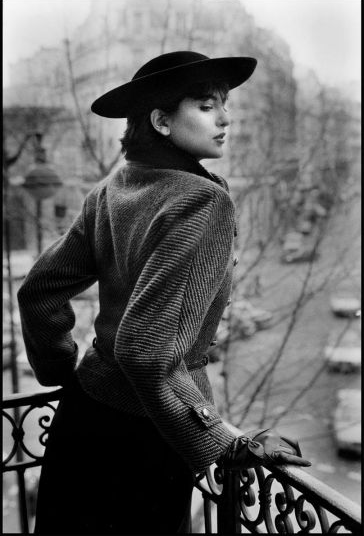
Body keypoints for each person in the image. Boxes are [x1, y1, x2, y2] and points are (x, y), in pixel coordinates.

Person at [17, 51, 310, 535]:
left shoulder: (113, 187)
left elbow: (40, 290)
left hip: (83, 416)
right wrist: (219, 441)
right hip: (146, 434)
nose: (225, 117)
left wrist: (63, 371)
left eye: (224, 103)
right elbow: (144, 352)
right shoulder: (202, 199)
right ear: (161, 120)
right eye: (204, 105)